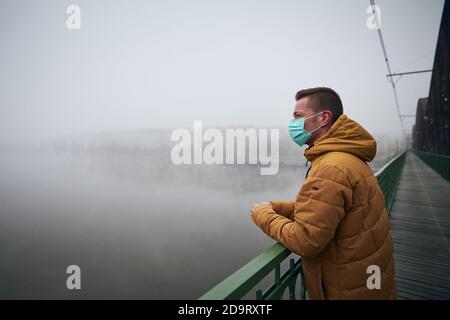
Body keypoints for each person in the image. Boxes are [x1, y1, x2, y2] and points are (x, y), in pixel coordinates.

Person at [251, 87, 396, 300]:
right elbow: (325, 210)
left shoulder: (330, 167)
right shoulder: (347, 157)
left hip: (348, 289)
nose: (292, 123)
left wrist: (262, 214)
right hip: (369, 281)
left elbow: (306, 241)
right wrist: (278, 207)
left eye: (298, 116)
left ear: (323, 118)